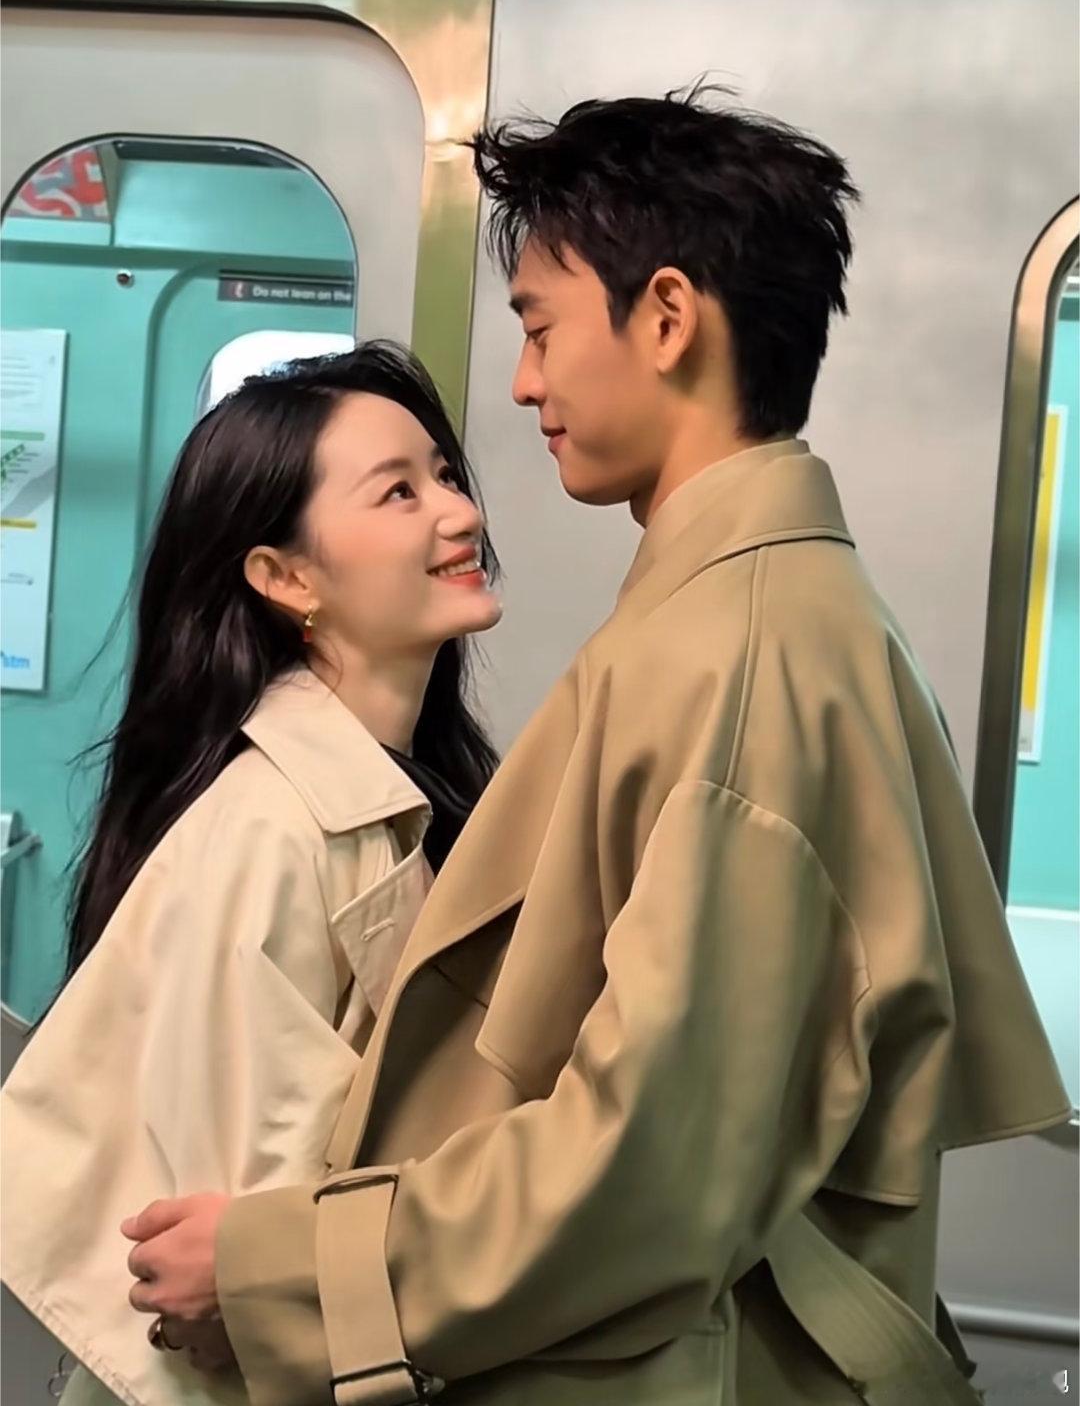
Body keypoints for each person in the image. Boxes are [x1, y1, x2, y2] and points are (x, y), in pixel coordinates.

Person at [121, 89, 1068, 1406]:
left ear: (667, 318)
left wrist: (278, 1268)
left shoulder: (742, 654)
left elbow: (652, 1168)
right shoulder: (752, 619)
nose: (524, 384)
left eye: (540, 327)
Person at [0, 342, 502, 1406]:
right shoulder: (272, 826)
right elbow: (225, 1267)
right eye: (400, 491)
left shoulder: (404, 796)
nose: (459, 513)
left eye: (446, 475)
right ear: (285, 578)